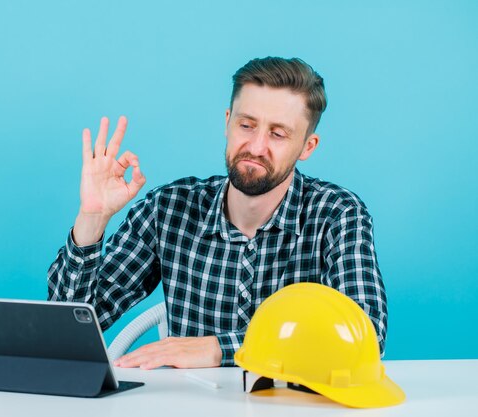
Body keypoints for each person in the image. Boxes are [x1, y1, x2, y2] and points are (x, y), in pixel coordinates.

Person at [48, 56, 387, 370]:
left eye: (278, 134)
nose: (256, 146)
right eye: (246, 125)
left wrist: (219, 348)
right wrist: (92, 218)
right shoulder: (168, 209)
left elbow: (365, 338)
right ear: (227, 123)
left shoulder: (337, 214)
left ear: (307, 147)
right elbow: (66, 331)